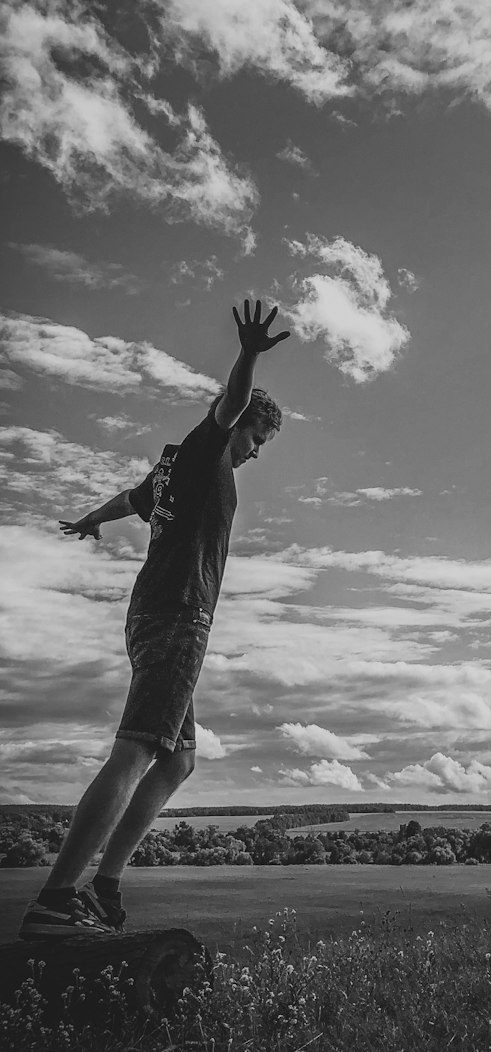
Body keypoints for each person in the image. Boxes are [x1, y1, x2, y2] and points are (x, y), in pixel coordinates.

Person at [19, 300, 289, 939]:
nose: (254, 453)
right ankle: (57, 899)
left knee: (178, 762)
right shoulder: (207, 449)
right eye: (256, 440)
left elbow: (132, 499)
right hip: (177, 617)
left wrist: (91, 519)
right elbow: (229, 406)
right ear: (238, 427)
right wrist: (249, 354)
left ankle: (104, 888)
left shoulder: (171, 466)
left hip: (155, 615)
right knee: (139, 750)